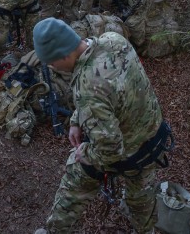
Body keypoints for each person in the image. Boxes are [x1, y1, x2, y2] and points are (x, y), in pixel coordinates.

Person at [32, 18, 171, 234]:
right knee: (141, 196)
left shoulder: (87, 89)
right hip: (154, 137)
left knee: (77, 173)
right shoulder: (113, 39)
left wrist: (83, 152)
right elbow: (112, 88)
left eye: (51, 62)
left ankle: (55, 230)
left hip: (128, 151)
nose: (51, 67)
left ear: (66, 55)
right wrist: (78, 119)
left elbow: (110, 151)